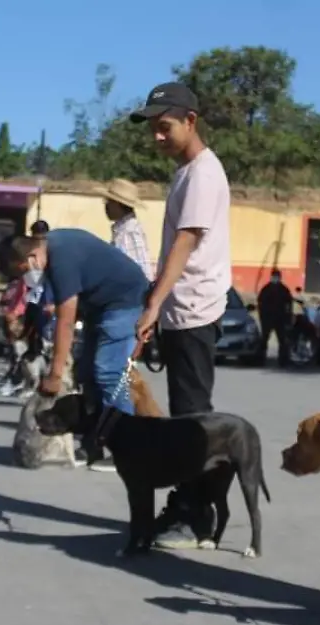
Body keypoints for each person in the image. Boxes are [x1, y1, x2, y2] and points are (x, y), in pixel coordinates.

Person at [130, 82, 233, 549]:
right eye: (153, 127)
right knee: (183, 419)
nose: (157, 136)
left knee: (192, 421)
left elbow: (186, 242)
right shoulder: (186, 173)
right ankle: (188, 504)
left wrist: (154, 303)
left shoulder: (204, 174)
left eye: (165, 126)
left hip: (194, 310)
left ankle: (195, 516)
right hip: (181, 310)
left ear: (191, 120)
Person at [0, 229, 149, 470]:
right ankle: (94, 442)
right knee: (86, 372)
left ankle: (126, 450)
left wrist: (55, 374)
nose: (26, 277)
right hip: (98, 306)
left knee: (108, 372)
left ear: (32, 257)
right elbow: (46, 304)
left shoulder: (62, 261)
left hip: (124, 301)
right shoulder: (50, 250)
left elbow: (65, 322)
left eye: (23, 271)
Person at [99, 179, 156, 281]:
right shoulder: (123, 229)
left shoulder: (129, 231)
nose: (105, 206)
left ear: (117, 204)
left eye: (108, 201)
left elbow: (137, 272)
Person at [256, 270, 294, 366]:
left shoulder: (284, 290)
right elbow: (260, 303)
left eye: (277, 277)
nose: (275, 278)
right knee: (264, 339)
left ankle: (283, 361)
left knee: (282, 340)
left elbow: (289, 305)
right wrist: (262, 316)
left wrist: (288, 319)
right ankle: (260, 360)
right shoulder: (266, 289)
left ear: (280, 278)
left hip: (280, 320)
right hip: (267, 319)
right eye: (274, 276)